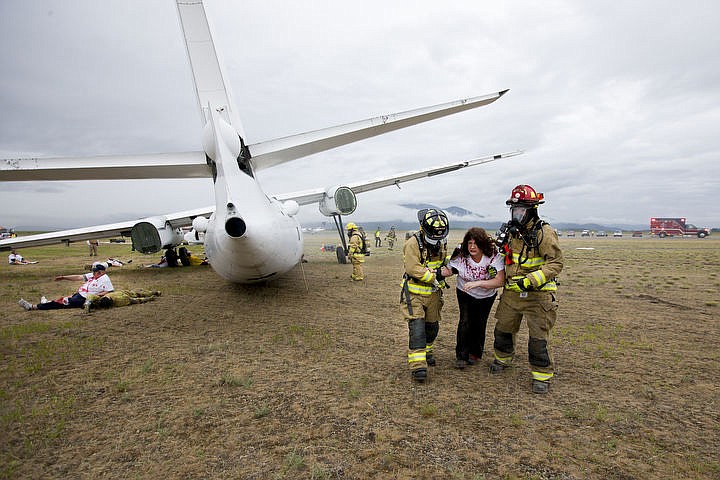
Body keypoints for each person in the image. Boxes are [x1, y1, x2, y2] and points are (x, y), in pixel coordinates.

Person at [490, 185, 564, 394]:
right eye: (514, 210)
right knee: (503, 329)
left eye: (521, 210)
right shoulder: (512, 233)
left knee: (538, 338)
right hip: (512, 294)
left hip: (537, 296)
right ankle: (502, 359)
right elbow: (503, 257)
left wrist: (531, 280)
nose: (517, 214)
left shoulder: (544, 233)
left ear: (531, 210)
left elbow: (556, 263)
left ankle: (541, 375)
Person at [442, 228, 506, 369]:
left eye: (476, 243)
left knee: (479, 322)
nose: (472, 247)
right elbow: (450, 270)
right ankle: (461, 356)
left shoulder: (493, 256)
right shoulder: (461, 254)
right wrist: (433, 272)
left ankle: (475, 353)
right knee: (465, 321)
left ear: (483, 244)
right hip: (464, 291)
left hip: (487, 295)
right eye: (469, 243)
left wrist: (478, 283)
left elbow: (500, 281)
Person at [400, 209, 450, 383]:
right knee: (417, 328)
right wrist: (436, 275)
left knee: (432, 327)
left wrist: (452, 263)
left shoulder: (441, 240)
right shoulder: (412, 244)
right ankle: (418, 366)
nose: (437, 240)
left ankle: (427, 350)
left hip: (434, 294)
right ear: (423, 229)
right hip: (414, 292)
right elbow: (413, 268)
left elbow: (443, 262)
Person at [18, 263, 114, 311]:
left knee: (59, 303)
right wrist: (64, 277)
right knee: (62, 299)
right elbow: (78, 277)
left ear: (101, 272)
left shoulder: (104, 279)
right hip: (79, 295)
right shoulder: (94, 275)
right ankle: (45, 302)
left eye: (95, 272)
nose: (93, 273)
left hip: (83, 298)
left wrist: (94, 296)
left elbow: (109, 291)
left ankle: (33, 307)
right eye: (93, 271)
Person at [84, 288, 161, 312]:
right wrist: (149, 299)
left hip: (126, 293)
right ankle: (154, 293)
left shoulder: (120, 300)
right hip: (125, 293)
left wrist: (149, 299)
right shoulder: (120, 300)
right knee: (141, 294)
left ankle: (155, 293)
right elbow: (137, 300)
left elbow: (136, 300)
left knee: (141, 294)